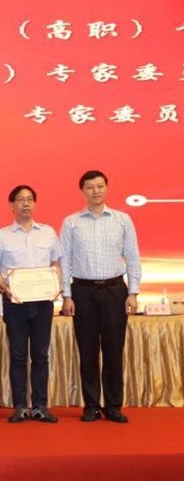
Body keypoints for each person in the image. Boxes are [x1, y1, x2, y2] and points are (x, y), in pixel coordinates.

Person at [61, 170, 141, 423]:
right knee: (87, 351)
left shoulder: (122, 219)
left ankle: (114, 405)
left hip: (114, 290)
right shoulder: (71, 222)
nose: (95, 191)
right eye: (90, 187)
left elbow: (133, 256)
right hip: (82, 291)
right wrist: (67, 295)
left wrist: (133, 292)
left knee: (114, 350)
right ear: (82, 191)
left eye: (99, 186)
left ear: (107, 188)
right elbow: (64, 261)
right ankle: (92, 406)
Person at [0, 185, 61, 424]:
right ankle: (20, 406)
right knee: (18, 355)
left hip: (43, 302)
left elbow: (56, 264)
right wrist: (5, 287)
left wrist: (56, 286)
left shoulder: (48, 233)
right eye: (20, 199)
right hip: (15, 302)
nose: (26, 203)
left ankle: (40, 406)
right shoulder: (1, 236)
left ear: (35, 203)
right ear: (12, 205)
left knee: (41, 355)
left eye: (30, 199)